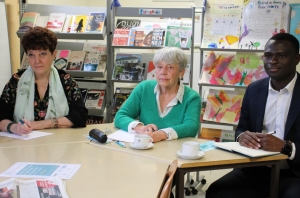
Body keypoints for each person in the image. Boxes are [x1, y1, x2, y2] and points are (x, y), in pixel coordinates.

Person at [206, 33, 300, 198]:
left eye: (282, 56)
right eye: (268, 56)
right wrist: (242, 136)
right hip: (255, 169)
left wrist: (286, 148)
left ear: (297, 59)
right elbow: (242, 128)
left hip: (294, 173)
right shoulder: (254, 90)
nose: (273, 61)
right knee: (217, 192)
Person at [0, 27, 88, 135]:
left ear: (53, 54)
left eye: (42, 54)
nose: (37, 61)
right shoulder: (16, 81)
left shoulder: (65, 80)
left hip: (58, 143)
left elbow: (80, 116)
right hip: (23, 144)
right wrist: (15, 128)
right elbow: (2, 117)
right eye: (31, 54)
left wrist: (40, 124)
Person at [114, 47, 201, 143]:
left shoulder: (192, 97)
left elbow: (191, 127)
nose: (163, 72)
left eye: (170, 67)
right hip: (145, 150)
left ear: (181, 72)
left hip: (175, 153)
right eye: (159, 67)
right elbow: (120, 116)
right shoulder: (144, 88)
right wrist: (141, 128)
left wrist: (161, 134)